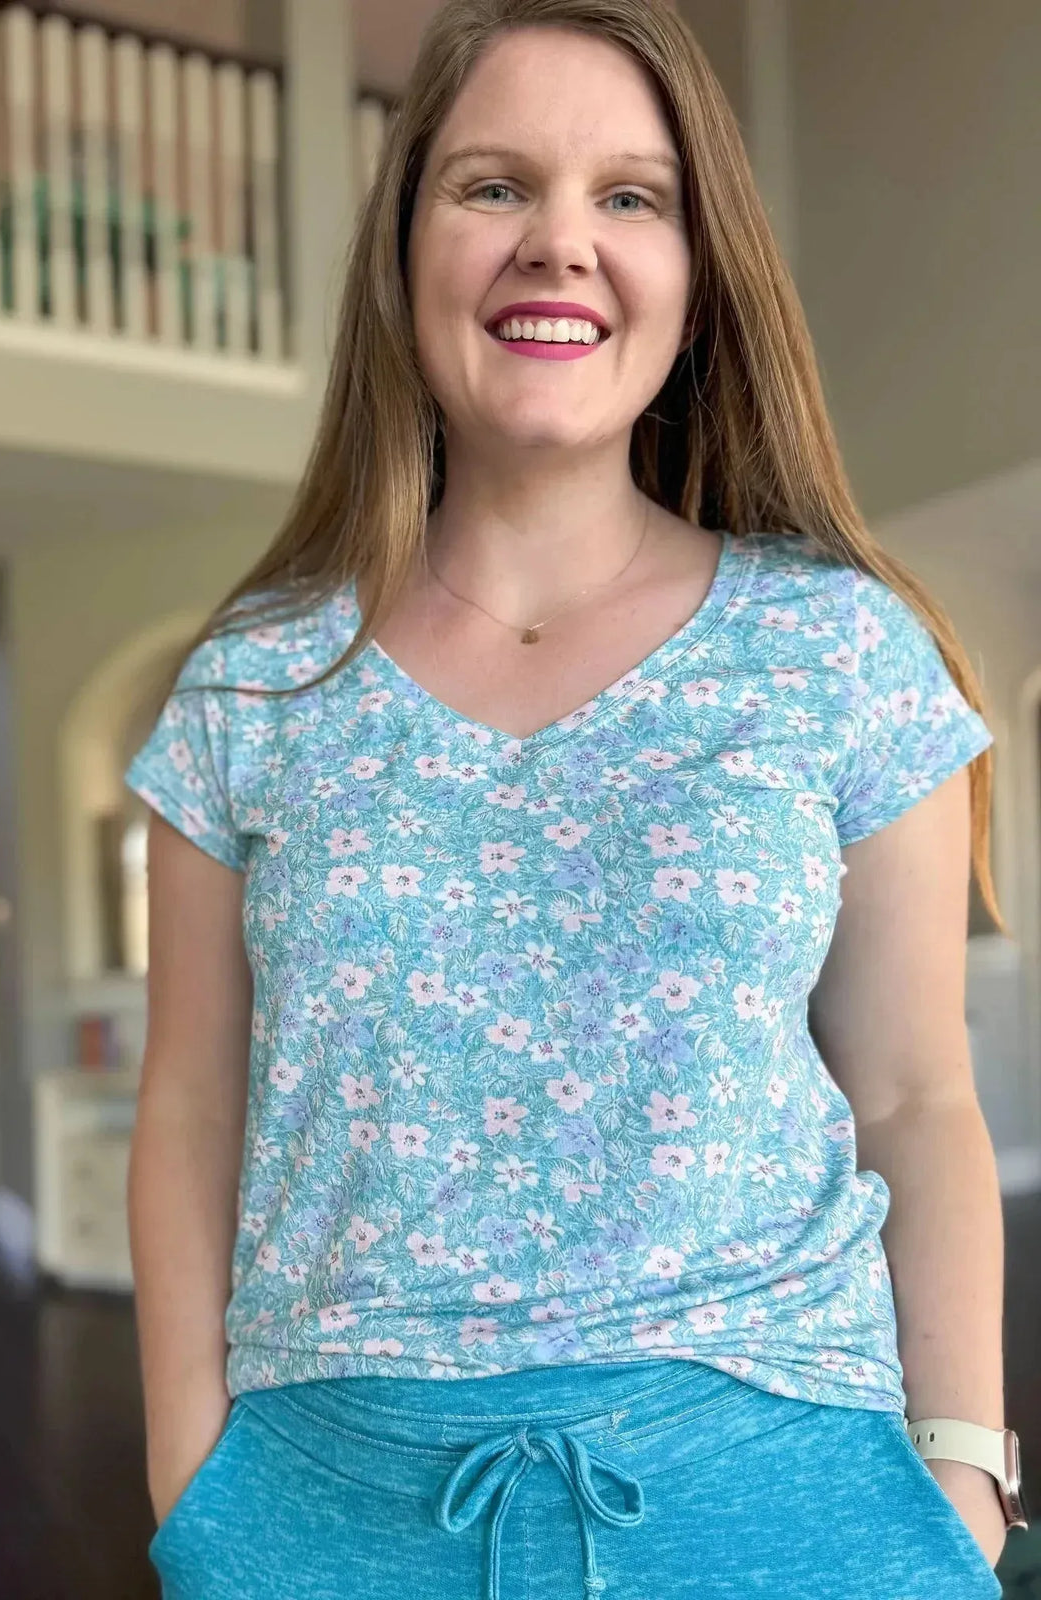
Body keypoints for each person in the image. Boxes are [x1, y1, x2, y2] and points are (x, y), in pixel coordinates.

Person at [123, 2, 1012, 1595]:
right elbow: (190, 1109)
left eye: (630, 196)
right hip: (322, 1510)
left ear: (697, 270)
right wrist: (198, 1491)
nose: (560, 244)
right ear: (405, 256)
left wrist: (965, 1475)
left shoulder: (837, 653)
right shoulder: (251, 691)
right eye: (490, 187)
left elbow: (916, 1101)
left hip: (793, 1500)